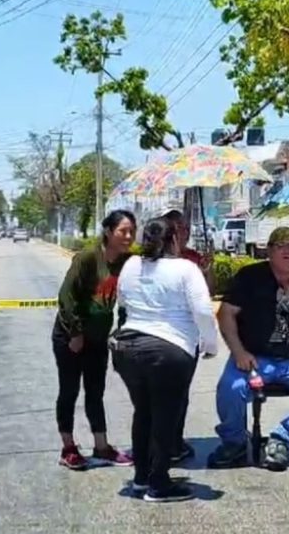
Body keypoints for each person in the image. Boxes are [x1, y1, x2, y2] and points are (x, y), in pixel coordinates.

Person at [209, 227, 289, 472]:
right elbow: (226, 314)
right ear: (269, 251)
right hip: (256, 357)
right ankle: (234, 443)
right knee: (230, 388)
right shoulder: (249, 277)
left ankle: (282, 439)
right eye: (282, 246)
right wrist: (238, 352)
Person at [111, 217, 219, 503]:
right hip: (169, 350)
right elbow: (203, 310)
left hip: (128, 347)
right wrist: (210, 344)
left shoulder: (131, 265)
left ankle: (140, 478)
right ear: (173, 240)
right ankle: (159, 482)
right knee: (165, 415)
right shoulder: (185, 268)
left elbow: (121, 301)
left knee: (143, 411)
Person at [52, 209, 138, 470]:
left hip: (99, 338)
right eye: (123, 231)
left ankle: (101, 446)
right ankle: (68, 447)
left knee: (95, 393)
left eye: (132, 231)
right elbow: (66, 297)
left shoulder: (127, 262)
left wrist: (123, 328)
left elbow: (128, 298)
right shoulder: (88, 258)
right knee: (69, 391)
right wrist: (76, 333)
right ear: (109, 232)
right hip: (70, 337)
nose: (128, 236)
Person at [159, 207, 214, 465]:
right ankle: (160, 443)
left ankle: (174, 440)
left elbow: (206, 295)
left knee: (181, 392)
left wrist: (207, 271)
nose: (185, 232)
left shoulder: (193, 258)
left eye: (187, 228)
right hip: (162, 334)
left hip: (188, 336)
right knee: (161, 394)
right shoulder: (155, 259)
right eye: (179, 228)